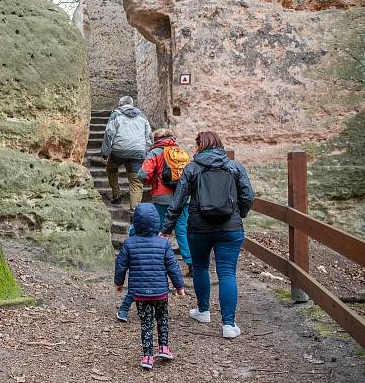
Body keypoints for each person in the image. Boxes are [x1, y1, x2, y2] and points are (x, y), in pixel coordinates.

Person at [160, 131, 254, 339]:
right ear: (219, 145)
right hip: (231, 228)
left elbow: (178, 201)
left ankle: (203, 311)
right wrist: (239, 214)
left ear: (199, 146)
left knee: (201, 267)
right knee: (227, 272)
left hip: (199, 228)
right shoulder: (234, 167)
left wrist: (166, 228)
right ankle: (228, 325)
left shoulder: (192, 168)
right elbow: (248, 196)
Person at [114, 203, 185, 369]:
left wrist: (119, 283)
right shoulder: (164, 244)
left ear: (135, 223)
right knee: (162, 319)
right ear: (156, 223)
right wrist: (179, 286)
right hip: (160, 292)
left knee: (146, 323)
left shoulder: (129, 243)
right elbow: (173, 267)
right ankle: (164, 347)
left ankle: (147, 356)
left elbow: (121, 266)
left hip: (140, 294)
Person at [137, 129, 192, 275]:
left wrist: (150, 181)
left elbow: (143, 174)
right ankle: (191, 263)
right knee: (182, 230)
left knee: (160, 228)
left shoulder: (155, 153)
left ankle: (155, 261)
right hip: (183, 197)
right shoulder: (180, 152)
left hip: (162, 197)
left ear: (156, 139)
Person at [101, 96, 152, 210]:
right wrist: (145, 152)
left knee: (111, 169)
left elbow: (109, 134)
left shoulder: (116, 115)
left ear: (120, 104)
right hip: (138, 151)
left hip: (119, 151)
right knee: (135, 180)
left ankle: (116, 194)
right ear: (132, 104)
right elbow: (149, 137)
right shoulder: (142, 116)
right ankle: (135, 210)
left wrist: (105, 153)